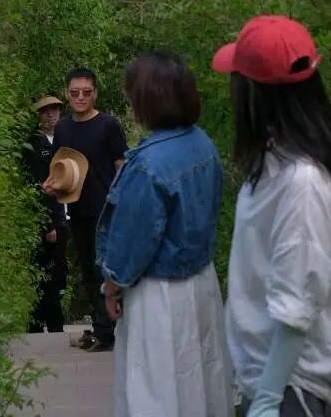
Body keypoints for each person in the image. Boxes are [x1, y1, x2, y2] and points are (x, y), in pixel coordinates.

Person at [212, 15, 331, 417]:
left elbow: (299, 300)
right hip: (271, 383)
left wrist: (267, 399)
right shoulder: (277, 165)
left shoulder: (303, 181)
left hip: (293, 390)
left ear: (254, 94)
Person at [97, 52, 232, 417]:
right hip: (202, 283)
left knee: (156, 392)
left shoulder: (148, 165)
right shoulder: (202, 144)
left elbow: (130, 246)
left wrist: (111, 287)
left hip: (159, 295)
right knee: (201, 383)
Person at [44, 67, 127, 351]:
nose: (80, 97)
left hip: (107, 211)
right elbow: (62, 165)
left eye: (86, 92)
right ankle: (103, 331)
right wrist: (52, 185)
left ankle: (115, 330)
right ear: (67, 94)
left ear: (95, 93)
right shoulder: (63, 127)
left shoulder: (109, 125)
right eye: (74, 92)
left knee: (107, 271)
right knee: (87, 271)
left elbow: (121, 166)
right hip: (76, 207)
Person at [23, 95, 68, 333]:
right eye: (46, 111)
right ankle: (40, 323)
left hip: (65, 215)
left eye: (55, 110)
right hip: (46, 218)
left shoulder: (63, 140)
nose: (51, 114)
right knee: (44, 271)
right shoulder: (34, 143)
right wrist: (47, 223)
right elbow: (36, 186)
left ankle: (53, 321)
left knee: (58, 271)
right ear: (39, 115)